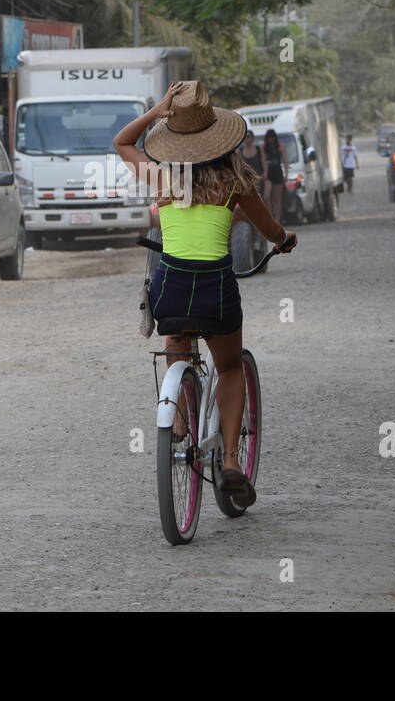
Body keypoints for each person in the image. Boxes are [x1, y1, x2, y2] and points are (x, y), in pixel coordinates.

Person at [114, 81, 297, 506]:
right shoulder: (237, 182)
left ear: (173, 138)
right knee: (230, 366)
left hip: (172, 290)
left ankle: (178, 425)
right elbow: (271, 230)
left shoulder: (163, 177)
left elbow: (122, 143)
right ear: (219, 135)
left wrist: (156, 110)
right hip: (216, 290)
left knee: (177, 340)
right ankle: (231, 461)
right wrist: (284, 240)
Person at [262, 129, 286, 224]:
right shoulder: (264, 148)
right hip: (269, 173)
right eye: (268, 137)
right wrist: (264, 172)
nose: (270, 139)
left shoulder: (279, 147)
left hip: (277, 171)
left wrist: (286, 174)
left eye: (272, 137)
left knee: (277, 199)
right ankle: (271, 215)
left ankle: (277, 220)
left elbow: (285, 161)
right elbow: (263, 161)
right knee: (266, 196)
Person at [239, 129, 266, 194]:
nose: (246, 138)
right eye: (244, 137)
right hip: (248, 181)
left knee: (264, 198)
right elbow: (240, 167)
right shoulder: (240, 151)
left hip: (260, 178)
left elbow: (264, 162)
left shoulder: (259, 149)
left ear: (252, 138)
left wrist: (265, 174)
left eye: (248, 136)